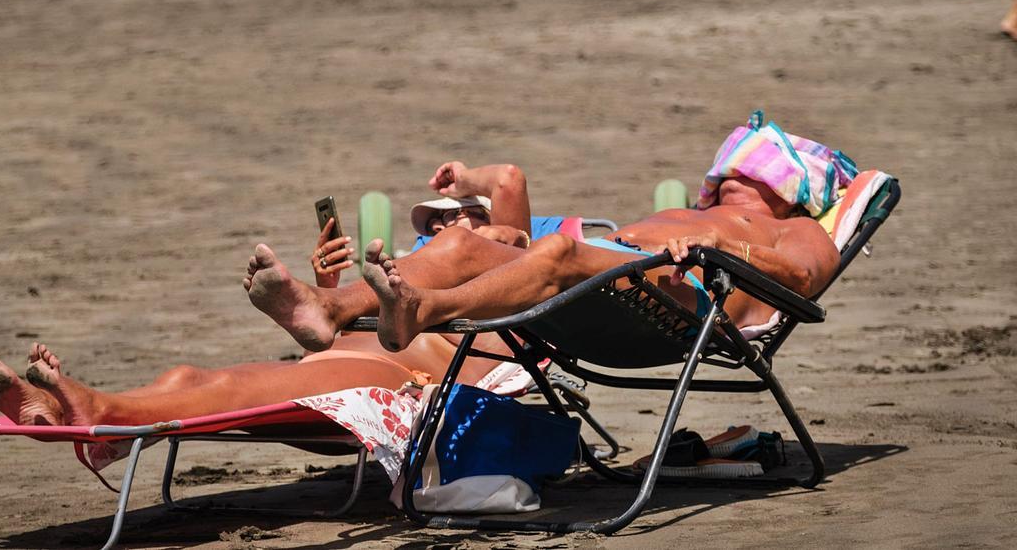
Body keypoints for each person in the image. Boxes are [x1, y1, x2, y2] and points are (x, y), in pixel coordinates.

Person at [0, 162, 535, 427]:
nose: (449, 225)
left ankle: (99, 413)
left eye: (462, 217)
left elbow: (509, 179)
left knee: (235, 387)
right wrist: (331, 290)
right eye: (436, 222)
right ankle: (57, 408)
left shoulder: (512, 254)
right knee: (187, 379)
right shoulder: (417, 269)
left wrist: (465, 183)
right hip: (353, 354)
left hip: (414, 378)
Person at [245, 169, 843, 354]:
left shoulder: (800, 229)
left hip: (692, 299)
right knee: (458, 242)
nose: (735, 177)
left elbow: (800, 280)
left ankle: (422, 308)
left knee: (557, 251)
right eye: (731, 169)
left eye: (756, 171)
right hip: (626, 271)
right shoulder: (689, 210)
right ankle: (327, 307)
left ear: (793, 189)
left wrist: (720, 250)